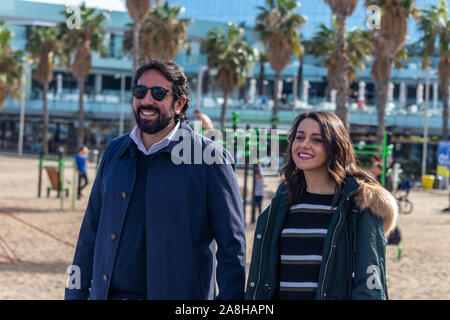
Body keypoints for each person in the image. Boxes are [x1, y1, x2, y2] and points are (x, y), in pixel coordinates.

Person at [65, 58, 246, 300]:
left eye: (159, 93)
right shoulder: (114, 151)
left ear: (179, 104)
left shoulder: (210, 159)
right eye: (140, 91)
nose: (147, 100)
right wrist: (74, 294)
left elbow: (232, 250)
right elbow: (90, 233)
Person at [245, 111, 398, 300]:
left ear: (334, 147)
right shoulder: (283, 200)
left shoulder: (359, 204)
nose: (304, 145)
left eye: (317, 140)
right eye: (299, 137)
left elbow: (370, 285)